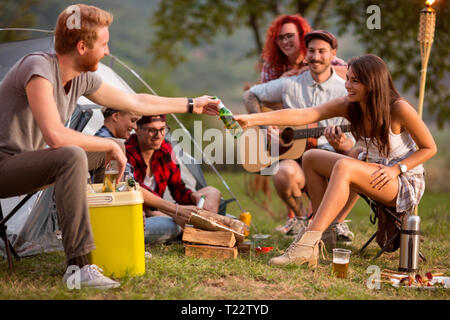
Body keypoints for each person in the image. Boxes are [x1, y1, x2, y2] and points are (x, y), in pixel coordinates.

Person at [0, 4, 220, 289]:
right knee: (72, 154)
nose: (106, 51)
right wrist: (106, 144)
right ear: (82, 46)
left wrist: (192, 104)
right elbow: (55, 135)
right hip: (5, 166)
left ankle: (109, 246)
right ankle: (79, 268)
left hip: (32, 163)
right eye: (104, 44)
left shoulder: (81, 78)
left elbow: (137, 102)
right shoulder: (38, 67)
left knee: (107, 148)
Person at [235, 54, 437, 268]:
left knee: (344, 165)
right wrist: (252, 120)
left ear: (373, 83)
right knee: (311, 157)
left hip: (402, 181)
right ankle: (327, 233)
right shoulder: (350, 105)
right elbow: (304, 115)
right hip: (372, 171)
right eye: (347, 78)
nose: (347, 85)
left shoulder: (399, 108)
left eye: (354, 81)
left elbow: (430, 148)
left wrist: (396, 169)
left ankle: (306, 244)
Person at [244, 30, 356, 241]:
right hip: (296, 159)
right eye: (311, 51)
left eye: (322, 51)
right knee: (282, 174)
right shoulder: (290, 85)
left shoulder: (345, 92)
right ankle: (303, 220)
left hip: (330, 157)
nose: (315, 57)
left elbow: (353, 139)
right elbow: (250, 94)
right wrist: (264, 127)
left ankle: (337, 223)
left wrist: (341, 143)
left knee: (358, 162)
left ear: (333, 54)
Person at [126, 115, 222, 245]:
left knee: (212, 192)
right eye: (152, 130)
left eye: (162, 129)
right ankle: (192, 231)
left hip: (163, 209)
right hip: (142, 212)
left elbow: (177, 187)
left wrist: (194, 196)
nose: (158, 135)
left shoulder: (165, 150)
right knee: (171, 225)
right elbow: (138, 192)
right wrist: (176, 212)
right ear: (137, 129)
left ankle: (202, 232)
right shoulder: (127, 152)